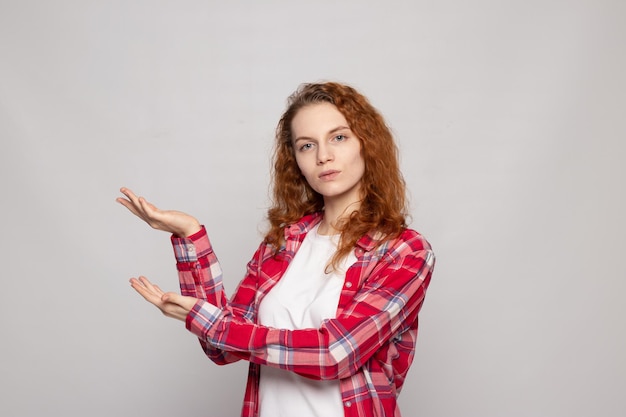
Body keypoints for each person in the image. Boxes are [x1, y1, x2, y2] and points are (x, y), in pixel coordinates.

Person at [116, 81, 435, 417]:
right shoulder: (282, 243)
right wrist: (190, 236)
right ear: (295, 160)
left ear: (366, 145)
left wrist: (213, 324)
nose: (323, 155)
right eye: (306, 145)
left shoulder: (405, 252)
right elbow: (220, 346)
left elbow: (335, 354)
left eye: (338, 137)